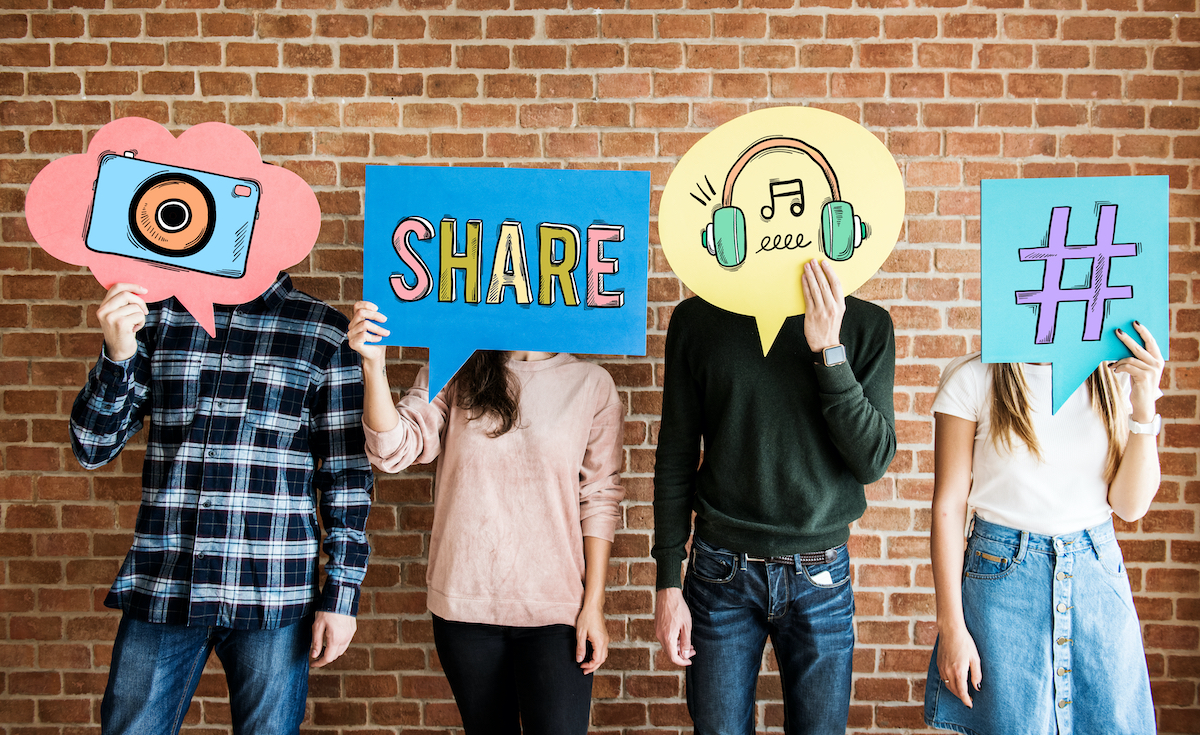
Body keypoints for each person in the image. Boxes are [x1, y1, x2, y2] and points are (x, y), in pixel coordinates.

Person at [71, 276, 373, 735]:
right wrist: (118, 355)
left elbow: (346, 478)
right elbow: (92, 445)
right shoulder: (157, 317)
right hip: (165, 582)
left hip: (273, 593)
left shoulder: (324, 332)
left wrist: (342, 597)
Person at [348, 300, 625, 735]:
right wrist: (373, 366)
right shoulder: (457, 365)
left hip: (555, 611)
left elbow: (599, 499)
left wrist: (594, 606)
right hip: (465, 606)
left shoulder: (592, 384)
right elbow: (392, 449)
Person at [653, 258, 897, 734]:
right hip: (720, 573)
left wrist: (829, 350)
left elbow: (872, 461)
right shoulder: (697, 320)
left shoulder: (867, 324)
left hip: (820, 576)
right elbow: (675, 456)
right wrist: (667, 581)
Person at [924, 321, 1164, 735]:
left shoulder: (1109, 378)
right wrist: (952, 627)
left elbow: (1130, 506)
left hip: (1096, 577)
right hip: (1002, 585)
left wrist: (1143, 407)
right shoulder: (973, 377)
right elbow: (948, 506)